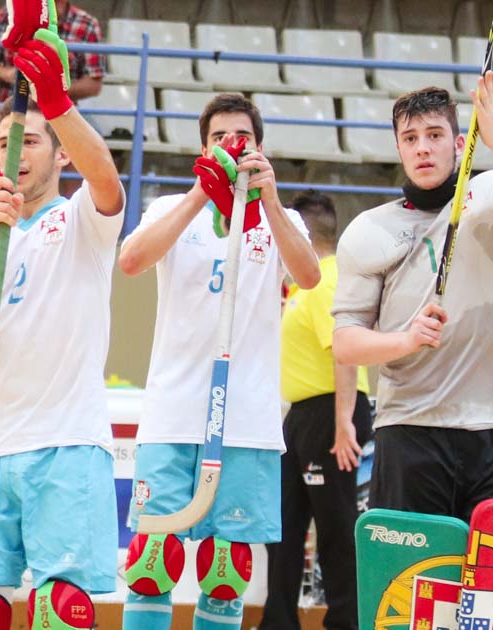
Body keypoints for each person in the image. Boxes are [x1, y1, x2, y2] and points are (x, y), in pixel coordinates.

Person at [0, 29, 125, 630]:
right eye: (10, 139)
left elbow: (108, 182)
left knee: (60, 612)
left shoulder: (81, 221)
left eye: (33, 139)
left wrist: (57, 101)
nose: (17, 149)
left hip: (66, 444)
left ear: (60, 152)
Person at [116, 93, 320, 630]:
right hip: (174, 413)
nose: (232, 146)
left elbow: (309, 277)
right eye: (219, 138)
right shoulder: (168, 209)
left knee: (226, 570)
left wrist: (270, 202)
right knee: (150, 563)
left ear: (259, 147)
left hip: (247, 421)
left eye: (243, 138)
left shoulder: (283, 218)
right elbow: (131, 261)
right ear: (202, 146)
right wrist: (197, 194)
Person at [332, 77, 493, 522]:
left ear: (459, 144)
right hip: (411, 429)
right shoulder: (369, 230)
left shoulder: (492, 195)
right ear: (399, 150)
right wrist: (405, 340)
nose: (422, 148)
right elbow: (347, 343)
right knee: (412, 584)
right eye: (410, 138)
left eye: (434, 135)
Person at [260, 191, 371, 630]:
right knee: (284, 525)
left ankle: (345, 621)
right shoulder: (304, 285)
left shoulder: (328, 280)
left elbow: (343, 352)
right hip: (301, 419)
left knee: (335, 526)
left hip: (331, 412)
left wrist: (343, 423)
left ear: (302, 233)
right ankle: (278, 620)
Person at [0, 0, 104, 168]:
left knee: (89, 140)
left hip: (62, 109)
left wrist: (54, 88)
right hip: (12, 106)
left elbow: (94, 83)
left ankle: (74, 195)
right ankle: (5, 187)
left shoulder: (87, 23)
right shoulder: (10, 13)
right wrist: (6, 73)